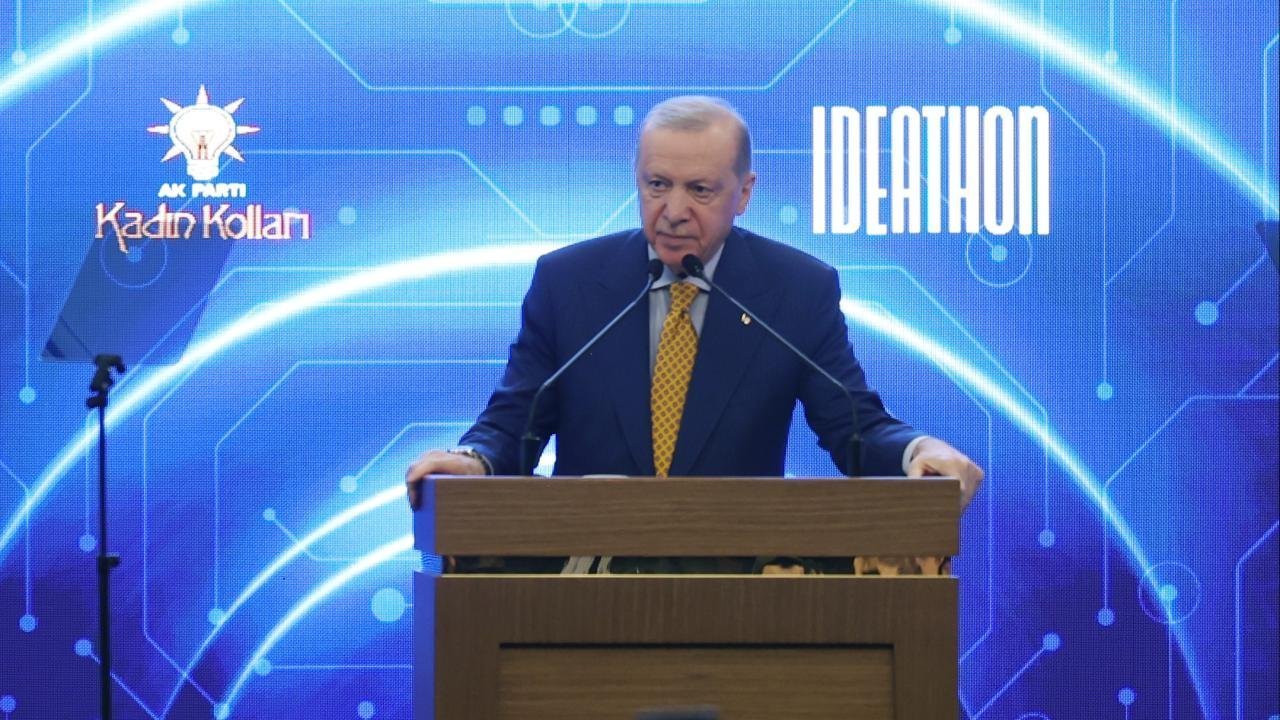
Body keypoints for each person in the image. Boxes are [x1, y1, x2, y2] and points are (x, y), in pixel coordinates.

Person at [406, 96, 983, 570]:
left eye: (699, 190)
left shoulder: (795, 290)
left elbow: (853, 427)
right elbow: (515, 423)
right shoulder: (570, 283)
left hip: (738, 587)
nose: (673, 210)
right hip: (583, 583)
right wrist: (473, 460)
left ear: (744, 192)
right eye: (657, 184)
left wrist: (918, 451)